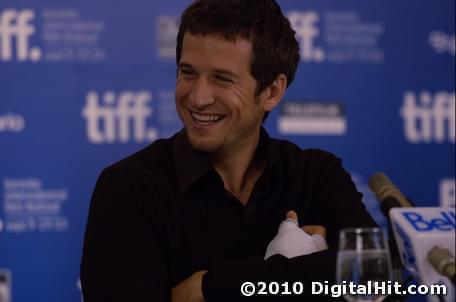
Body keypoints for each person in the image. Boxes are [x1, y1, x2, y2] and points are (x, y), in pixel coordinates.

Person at [80, 0, 377, 301]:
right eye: (188, 73)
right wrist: (300, 274)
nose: (198, 97)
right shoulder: (129, 188)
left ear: (272, 91)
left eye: (222, 79)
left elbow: (377, 280)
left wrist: (210, 285)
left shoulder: (316, 175)